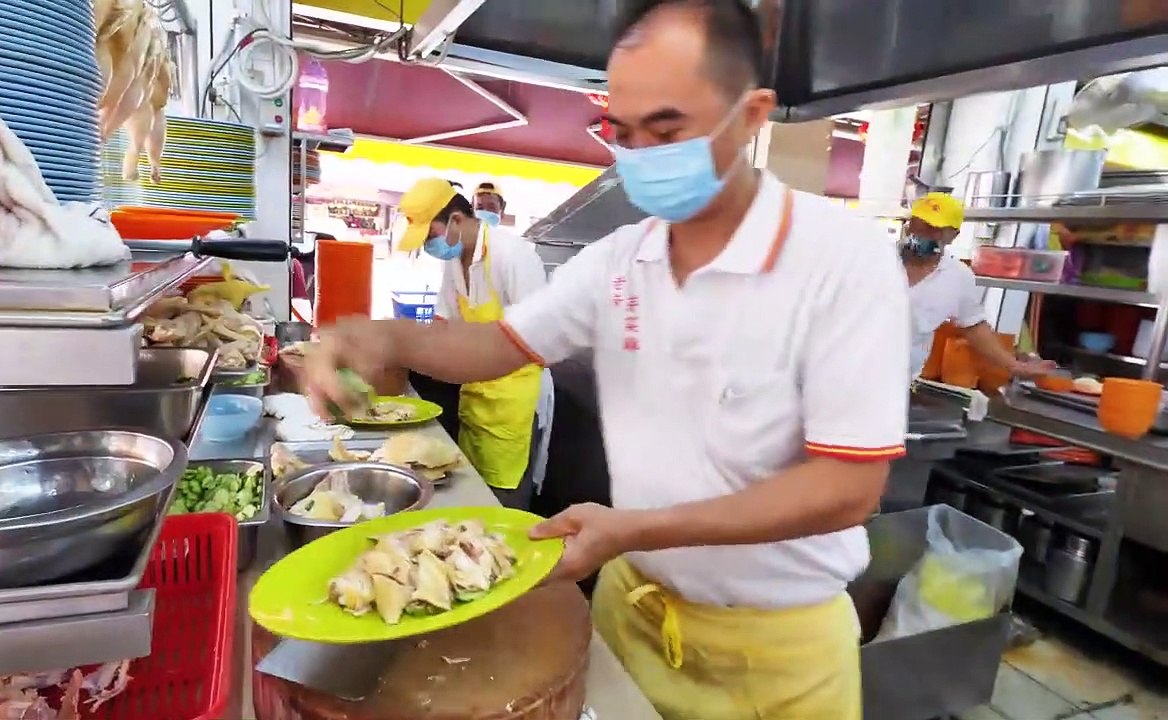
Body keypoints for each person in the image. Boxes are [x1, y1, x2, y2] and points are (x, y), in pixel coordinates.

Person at [306, 2, 909, 718]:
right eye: (622, 133)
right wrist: (382, 336)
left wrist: (636, 528)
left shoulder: (844, 263)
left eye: (667, 128)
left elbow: (847, 487)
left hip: (774, 660)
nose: (641, 154)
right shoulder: (623, 259)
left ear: (752, 115)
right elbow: (499, 344)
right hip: (631, 614)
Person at [396, 177, 547, 510]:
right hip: (476, 398)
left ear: (457, 220)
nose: (429, 247)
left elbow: (539, 340)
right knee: (471, 498)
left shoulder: (513, 256)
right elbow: (442, 320)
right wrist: (407, 345)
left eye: (431, 236)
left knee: (503, 505)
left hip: (514, 406)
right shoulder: (454, 260)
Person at [904, 192, 1053, 378]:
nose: (923, 233)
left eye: (935, 229)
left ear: (953, 235)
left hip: (898, 382)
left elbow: (973, 327)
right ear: (908, 224)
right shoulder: (878, 260)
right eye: (919, 224)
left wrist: (1014, 366)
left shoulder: (957, 277)